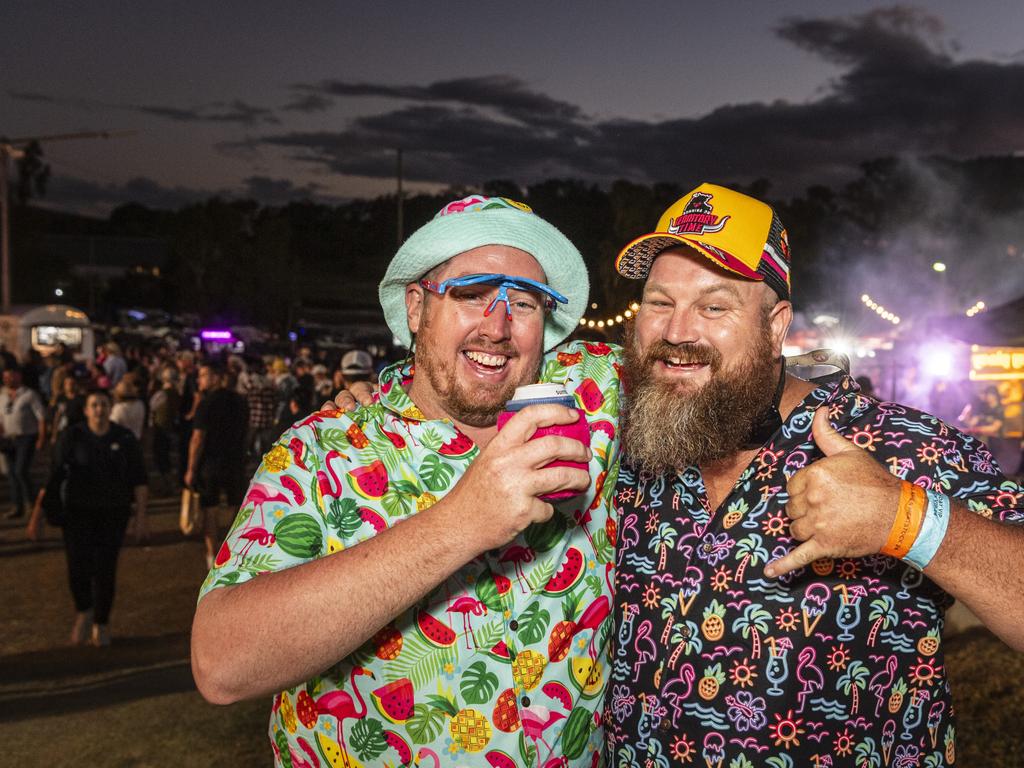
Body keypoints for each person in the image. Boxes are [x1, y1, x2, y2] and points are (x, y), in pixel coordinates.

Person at [191, 195, 621, 767]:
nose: (498, 326)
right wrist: (459, 524)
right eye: (470, 295)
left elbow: (737, 368)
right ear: (416, 308)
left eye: (524, 302)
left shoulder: (594, 395)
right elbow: (221, 664)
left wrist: (789, 468)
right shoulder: (325, 450)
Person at [603, 183, 1024, 766]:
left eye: (714, 305)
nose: (676, 331)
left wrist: (906, 520)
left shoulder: (899, 446)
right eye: (658, 301)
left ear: (776, 327)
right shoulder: (628, 443)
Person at [26, 388, 148, 646]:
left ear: (110, 407)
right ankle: (84, 610)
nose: (99, 410)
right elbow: (55, 475)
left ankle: (101, 622)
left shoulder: (124, 438)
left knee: (105, 568)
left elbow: (139, 480)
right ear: (86, 410)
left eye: (104, 404)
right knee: (77, 567)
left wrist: (141, 517)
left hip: (113, 513)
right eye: (94, 405)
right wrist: (37, 515)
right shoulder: (73, 437)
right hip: (77, 513)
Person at [184, 361, 249, 570]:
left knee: (210, 509)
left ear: (215, 378)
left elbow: (197, 438)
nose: (199, 380)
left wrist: (191, 469)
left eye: (203, 375)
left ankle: (212, 554)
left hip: (210, 464)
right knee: (235, 507)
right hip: (236, 461)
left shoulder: (207, 403)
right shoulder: (240, 401)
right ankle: (230, 549)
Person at [0, 366, 47, 519]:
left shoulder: (29, 395)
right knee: (11, 473)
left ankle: (30, 503)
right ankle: (17, 505)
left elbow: (41, 417)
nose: (8, 380)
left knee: (21, 470)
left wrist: (41, 438)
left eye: (11, 376)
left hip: (26, 437)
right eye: (6, 377)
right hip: (8, 438)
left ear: (18, 376)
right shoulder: (2, 396)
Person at [149, 366, 181, 494]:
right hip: (171, 429)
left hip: (161, 429)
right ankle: (170, 484)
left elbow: (152, 409)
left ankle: (167, 485)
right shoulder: (177, 394)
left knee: (161, 458)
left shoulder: (161, 394)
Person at [110, 375, 146, 441]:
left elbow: (112, 425)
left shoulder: (119, 408)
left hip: (123, 440)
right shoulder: (140, 404)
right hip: (137, 438)